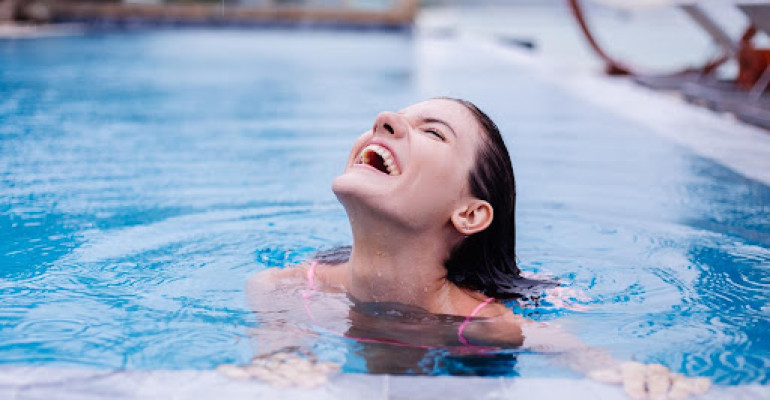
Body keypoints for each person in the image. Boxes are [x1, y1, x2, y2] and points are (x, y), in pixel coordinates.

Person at [237, 98, 711, 397]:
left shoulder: (487, 326)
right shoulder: (282, 290)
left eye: (433, 132)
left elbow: (589, 359)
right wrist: (277, 355)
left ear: (470, 214)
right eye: (396, 119)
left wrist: (636, 377)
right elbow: (278, 346)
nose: (384, 121)